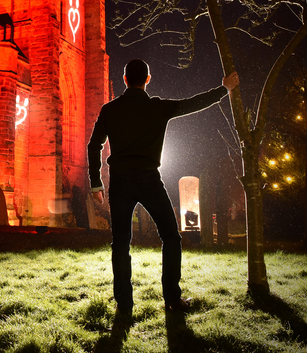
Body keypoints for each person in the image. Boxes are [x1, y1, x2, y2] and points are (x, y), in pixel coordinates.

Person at [87, 59, 239, 315]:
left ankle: (124, 304)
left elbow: (94, 146)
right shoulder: (156, 108)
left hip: (120, 181)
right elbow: (192, 104)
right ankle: (172, 298)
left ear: (124, 80)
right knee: (171, 237)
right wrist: (223, 90)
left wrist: (95, 183)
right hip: (149, 180)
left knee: (121, 243)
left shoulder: (110, 109)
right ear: (148, 79)